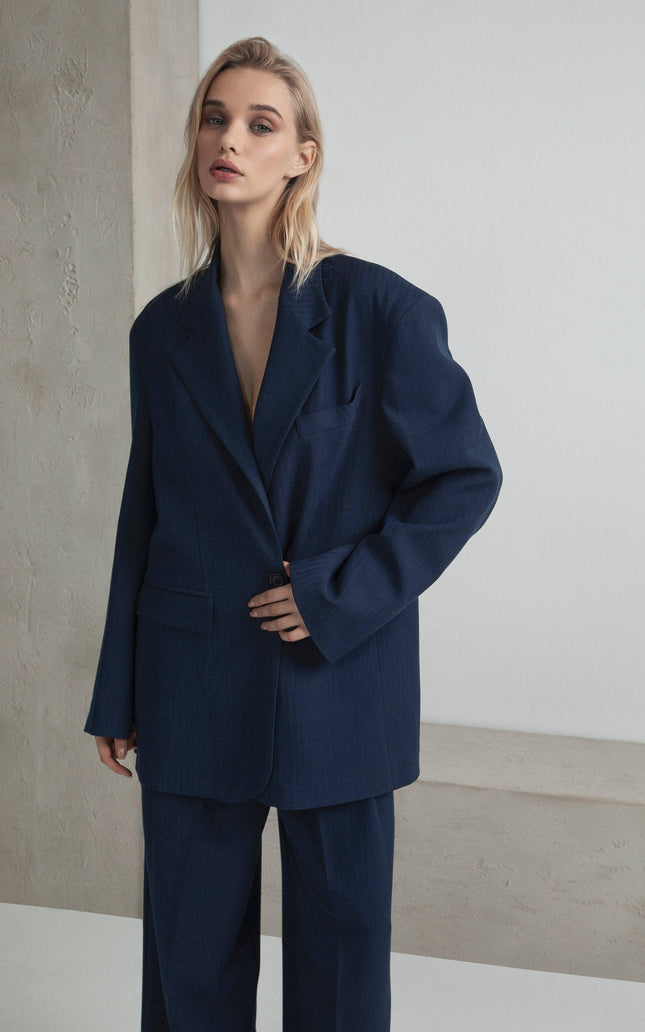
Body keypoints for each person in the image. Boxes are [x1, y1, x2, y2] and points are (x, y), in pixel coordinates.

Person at [84, 35, 502, 1032]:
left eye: (260, 123)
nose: (229, 138)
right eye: (213, 118)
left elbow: (463, 477)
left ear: (302, 153)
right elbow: (146, 507)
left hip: (335, 683)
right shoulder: (161, 329)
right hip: (193, 680)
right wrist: (120, 687)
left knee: (343, 973)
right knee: (189, 969)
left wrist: (336, 593)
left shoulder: (383, 312)